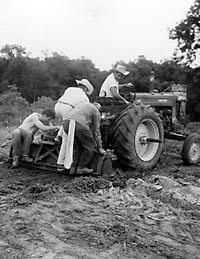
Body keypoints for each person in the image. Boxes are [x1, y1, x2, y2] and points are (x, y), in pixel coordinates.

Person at [54, 79, 94, 170]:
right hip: (68, 108)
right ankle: (60, 164)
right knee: (67, 138)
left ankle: (58, 136)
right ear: (85, 88)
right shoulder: (85, 98)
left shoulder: (70, 89)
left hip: (58, 107)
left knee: (64, 123)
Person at [63, 102, 106, 175]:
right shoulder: (96, 111)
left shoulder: (82, 105)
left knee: (77, 147)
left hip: (67, 123)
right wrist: (100, 147)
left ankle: (73, 168)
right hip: (79, 124)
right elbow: (96, 131)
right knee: (90, 146)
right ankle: (81, 167)